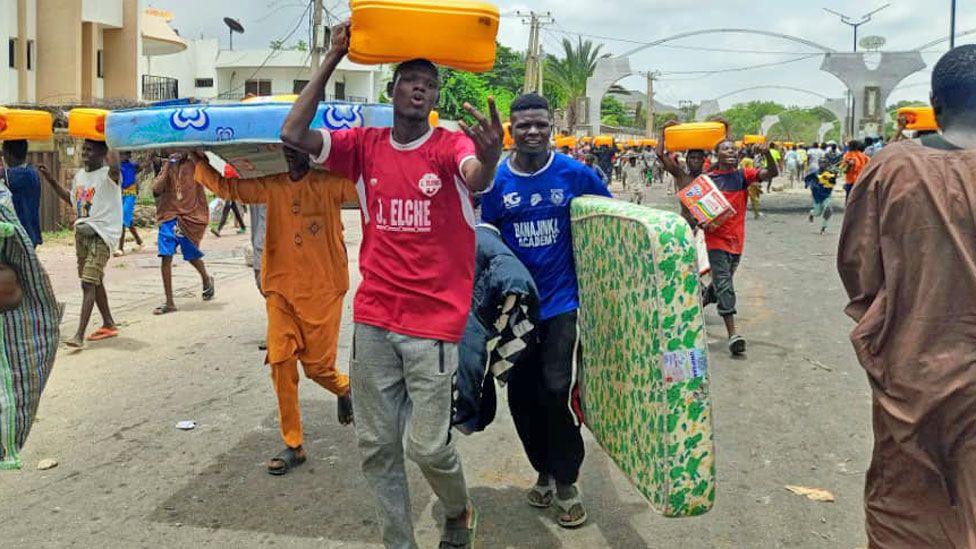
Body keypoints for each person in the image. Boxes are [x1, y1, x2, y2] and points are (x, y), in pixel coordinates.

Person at [279, 21, 502, 549]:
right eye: (409, 79)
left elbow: (476, 177)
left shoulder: (450, 146)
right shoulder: (365, 146)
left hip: (434, 324)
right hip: (376, 319)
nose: (419, 87)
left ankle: (458, 510)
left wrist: (491, 156)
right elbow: (292, 135)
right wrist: (334, 56)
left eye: (428, 82)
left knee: (427, 448)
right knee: (376, 446)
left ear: (434, 98)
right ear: (392, 90)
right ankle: (397, 542)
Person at [837, 44, 976, 546]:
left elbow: (858, 269)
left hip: (915, 377)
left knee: (908, 512)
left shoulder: (893, 167)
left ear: (936, 106)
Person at [480, 93, 611, 530]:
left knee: (556, 389)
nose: (532, 131)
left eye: (540, 124)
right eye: (523, 126)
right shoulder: (497, 182)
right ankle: (542, 469)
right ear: (510, 131)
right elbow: (484, 239)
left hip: (561, 304)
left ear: (550, 126)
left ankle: (568, 481)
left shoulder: (575, 174)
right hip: (514, 311)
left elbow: (611, 221)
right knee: (521, 395)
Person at [194, 146, 356, 474]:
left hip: (322, 292)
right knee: (280, 362)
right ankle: (293, 443)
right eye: (289, 151)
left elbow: (372, 189)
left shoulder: (331, 185)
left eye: (301, 150)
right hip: (280, 289)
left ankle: (343, 387)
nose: (295, 157)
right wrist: (198, 164)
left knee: (317, 369)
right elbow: (230, 189)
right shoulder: (273, 185)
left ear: (311, 153)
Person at [702, 140, 777, 355]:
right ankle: (733, 334)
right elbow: (695, 210)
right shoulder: (708, 181)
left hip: (736, 242)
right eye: (725, 149)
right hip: (716, 241)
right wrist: (703, 222)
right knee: (725, 285)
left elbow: (772, 173)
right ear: (716, 153)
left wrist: (768, 154)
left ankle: (696, 305)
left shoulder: (743, 176)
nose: (731, 152)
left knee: (719, 286)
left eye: (733, 149)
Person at [45, 140, 122, 348]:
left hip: (101, 235)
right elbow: (72, 200)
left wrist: (111, 137)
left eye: (90, 150)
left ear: (102, 153)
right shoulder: (80, 176)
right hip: (81, 236)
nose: (85, 153)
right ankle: (108, 323)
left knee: (88, 282)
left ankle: (79, 334)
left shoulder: (109, 175)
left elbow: (115, 166)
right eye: (83, 150)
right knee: (94, 281)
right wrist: (51, 181)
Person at [151, 151, 215, 315]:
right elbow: (156, 190)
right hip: (169, 216)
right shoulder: (167, 166)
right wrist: (169, 167)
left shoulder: (195, 163)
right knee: (165, 256)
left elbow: (207, 166)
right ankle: (170, 301)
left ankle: (206, 278)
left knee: (191, 255)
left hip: (189, 217)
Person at [1, 140, 43, 247]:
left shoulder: (16, 175)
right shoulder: (32, 172)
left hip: (20, 234)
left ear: (7, 153)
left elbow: (5, 176)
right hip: (30, 232)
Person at [115, 151, 145, 256]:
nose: (122, 156)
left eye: (124, 154)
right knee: (128, 220)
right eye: (120, 154)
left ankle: (120, 247)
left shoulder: (133, 166)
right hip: (120, 194)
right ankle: (139, 240)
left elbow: (143, 166)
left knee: (123, 218)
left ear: (129, 156)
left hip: (130, 194)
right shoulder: (117, 167)